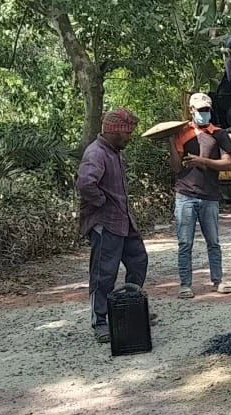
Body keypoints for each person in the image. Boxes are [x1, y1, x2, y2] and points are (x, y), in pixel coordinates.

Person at [77, 108, 148, 343]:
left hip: (124, 221)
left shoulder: (115, 151)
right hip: (105, 224)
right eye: (128, 133)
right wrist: (101, 202)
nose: (130, 137)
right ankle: (100, 322)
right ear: (115, 132)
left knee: (138, 260)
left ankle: (127, 308)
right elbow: (86, 184)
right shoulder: (96, 153)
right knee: (103, 274)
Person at [170, 92, 231, 298]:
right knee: (185, 242)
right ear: (191, 111)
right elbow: (175, 167)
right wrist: (169, 142)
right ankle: (185, 285)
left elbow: (229, 164)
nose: (204, 114)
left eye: (207, 110)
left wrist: (203, 162)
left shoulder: (219, 134)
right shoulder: (181, 133)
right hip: (185, 194)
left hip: (210, 195)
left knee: (213, 241)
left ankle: (217, 280)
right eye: (201, 111)